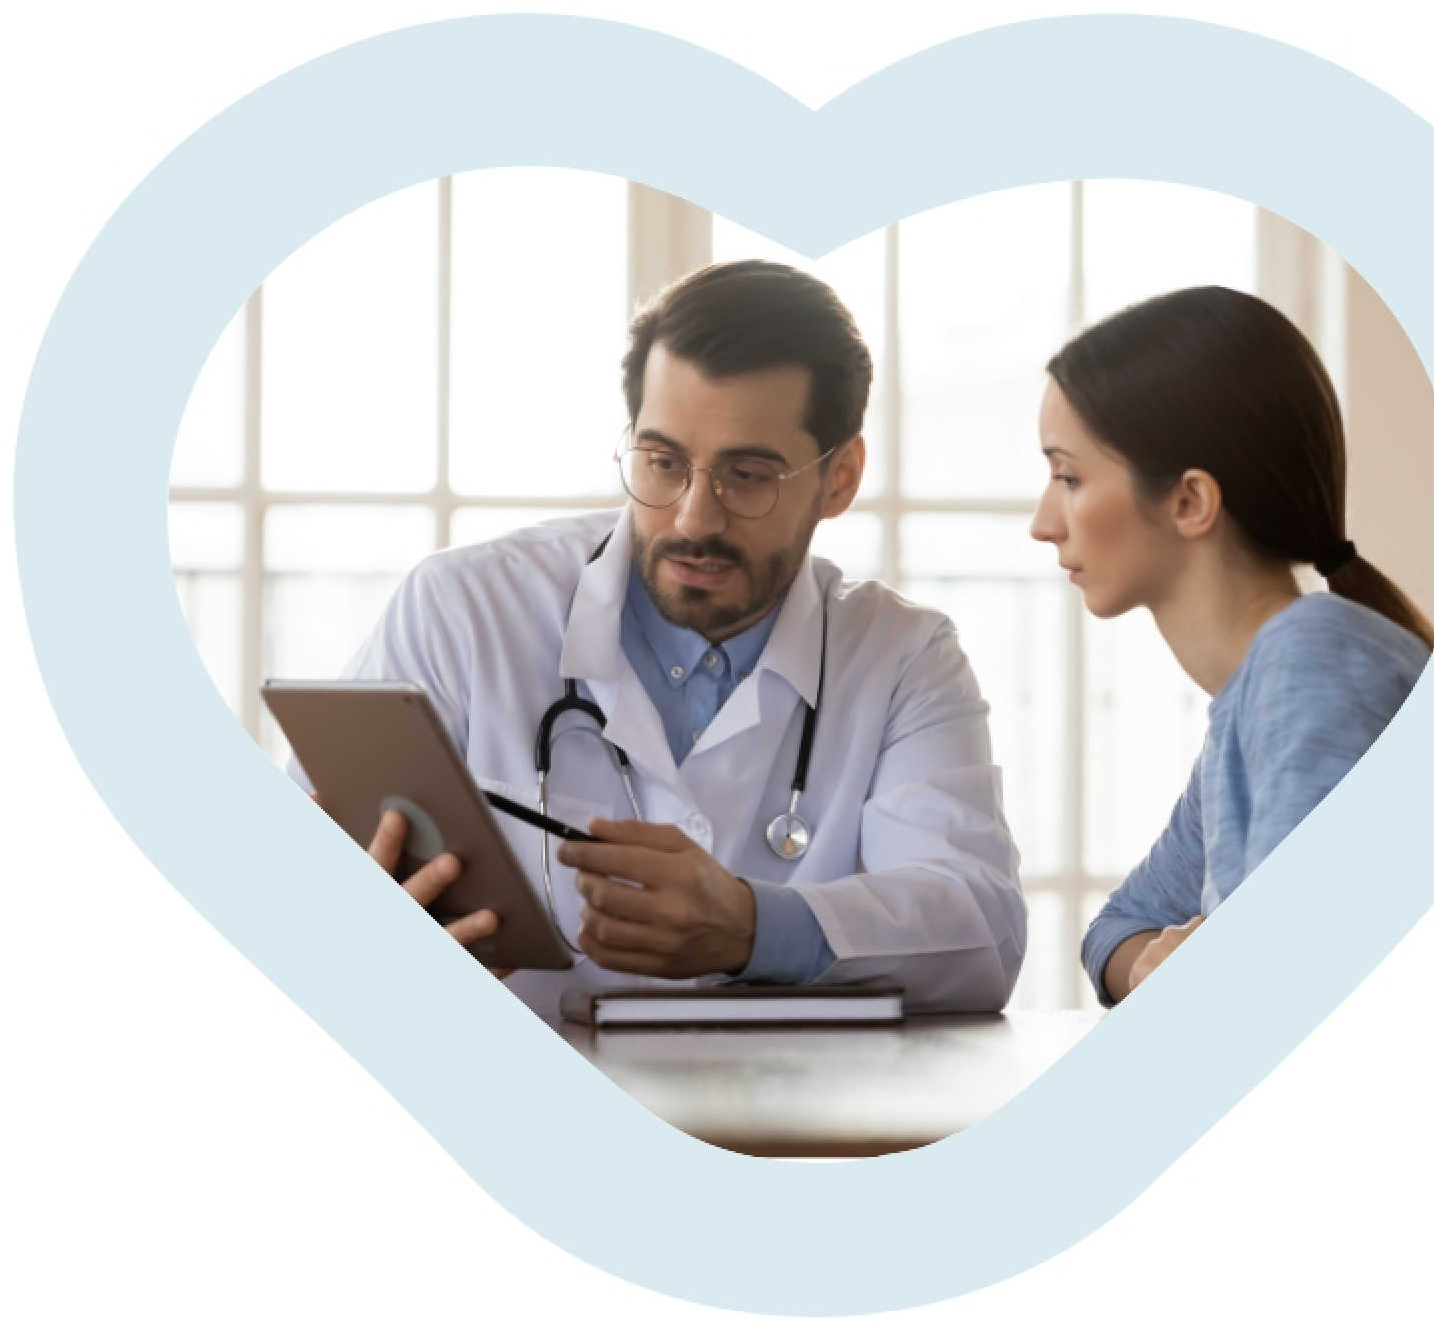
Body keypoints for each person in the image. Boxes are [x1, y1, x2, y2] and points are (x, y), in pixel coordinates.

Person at [296, 260, 1026, 1025]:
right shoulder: (460, 609)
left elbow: (981, 934)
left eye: (748, 475)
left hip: (782, 1126)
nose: (692, 519)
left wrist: (749, 927)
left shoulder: (904, 656)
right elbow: (293, 887)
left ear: (840, 477)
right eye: (663, 462)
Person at [1029, 286, 1434, 1006]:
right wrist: (1163, 967)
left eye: (1068, 477)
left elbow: (1287, 984)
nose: (1042, 522)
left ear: (1189, 502)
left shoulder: (1313, 662)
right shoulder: (1253, 699)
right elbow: (1114, 931)